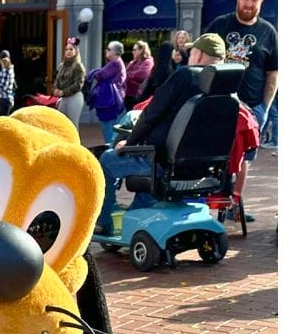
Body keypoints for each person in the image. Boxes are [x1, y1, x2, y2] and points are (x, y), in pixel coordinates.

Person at [96, 33, 226, 223]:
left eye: (192, 52)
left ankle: (102, 221)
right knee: (149, 182)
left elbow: (151, 114)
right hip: (205, 168)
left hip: (163, 162)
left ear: (198, 54)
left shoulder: (186, 76)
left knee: (106, 160)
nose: (189, 55)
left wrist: (129, 143)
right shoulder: (227, 85)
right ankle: (136, 218)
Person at [203, 0, 278, 134]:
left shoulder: (269, 32)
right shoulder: (219, 25)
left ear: (262, 1)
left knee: (247, 151)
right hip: (219, 104)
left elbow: (273, 73)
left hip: (253, 109)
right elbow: (201, 61)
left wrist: (264, 108)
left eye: (255, 0)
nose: (249, 4)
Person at [87, 41, 129, 147]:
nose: (106, 51)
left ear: (115, 52)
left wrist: (94, 72)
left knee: (109, 132)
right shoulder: (117, 62)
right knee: (114, 130)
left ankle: (111, 151)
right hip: (115, 101)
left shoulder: (115, 63)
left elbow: (100, 75)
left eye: (109, 49)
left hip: (111, 102)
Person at [53, 37, 86, 131]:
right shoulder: (62, 66)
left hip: (74, 97)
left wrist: (63, 92)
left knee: (72, 125)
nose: (68, 51)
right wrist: (55, 89)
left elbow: (78, 85)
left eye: (71, 49)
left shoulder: (78, 66)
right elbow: (57, 80)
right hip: (63, 98)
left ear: (76, 51)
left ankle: (75, 140)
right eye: (66, 49)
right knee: (61, 123)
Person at [123, 40, 153, 106]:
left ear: (141, 50)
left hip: (139, 95)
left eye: (134, 50)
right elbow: (125, 73)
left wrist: (129, 74)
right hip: (128, 94)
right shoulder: (134, 62)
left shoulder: (148, 62)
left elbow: (142, 75)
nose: (132, 52)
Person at [0, 51, 17, 115]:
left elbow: (4, 86)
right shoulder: (10, 69)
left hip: (4, 99)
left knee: (2, 118)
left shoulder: (5, 71)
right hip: (8, 99)